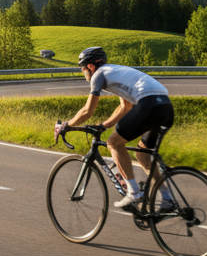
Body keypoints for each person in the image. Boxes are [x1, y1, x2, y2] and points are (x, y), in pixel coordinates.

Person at [56, 46, 174, 209]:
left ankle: (134, 193)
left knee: (113, 143)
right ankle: (167, 199)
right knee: (143, 156)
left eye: (82, 69)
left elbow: (88, 110)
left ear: (90, 66)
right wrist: (103, 126)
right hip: (165, 107)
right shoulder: (116, 71)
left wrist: (67, 125)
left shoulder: (99, 75)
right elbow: (125, 106)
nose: (83, 73)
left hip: (148, 105)